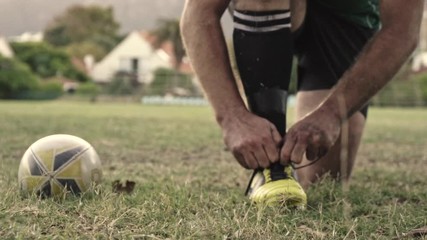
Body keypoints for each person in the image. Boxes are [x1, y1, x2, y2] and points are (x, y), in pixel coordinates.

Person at [181, 0, 423, 207]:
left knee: (321, 178)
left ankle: (287, 159)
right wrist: (231, 117)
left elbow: (402, 30)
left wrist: (332, 113)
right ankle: (273, 168)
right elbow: (198, 14)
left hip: (348, 20)